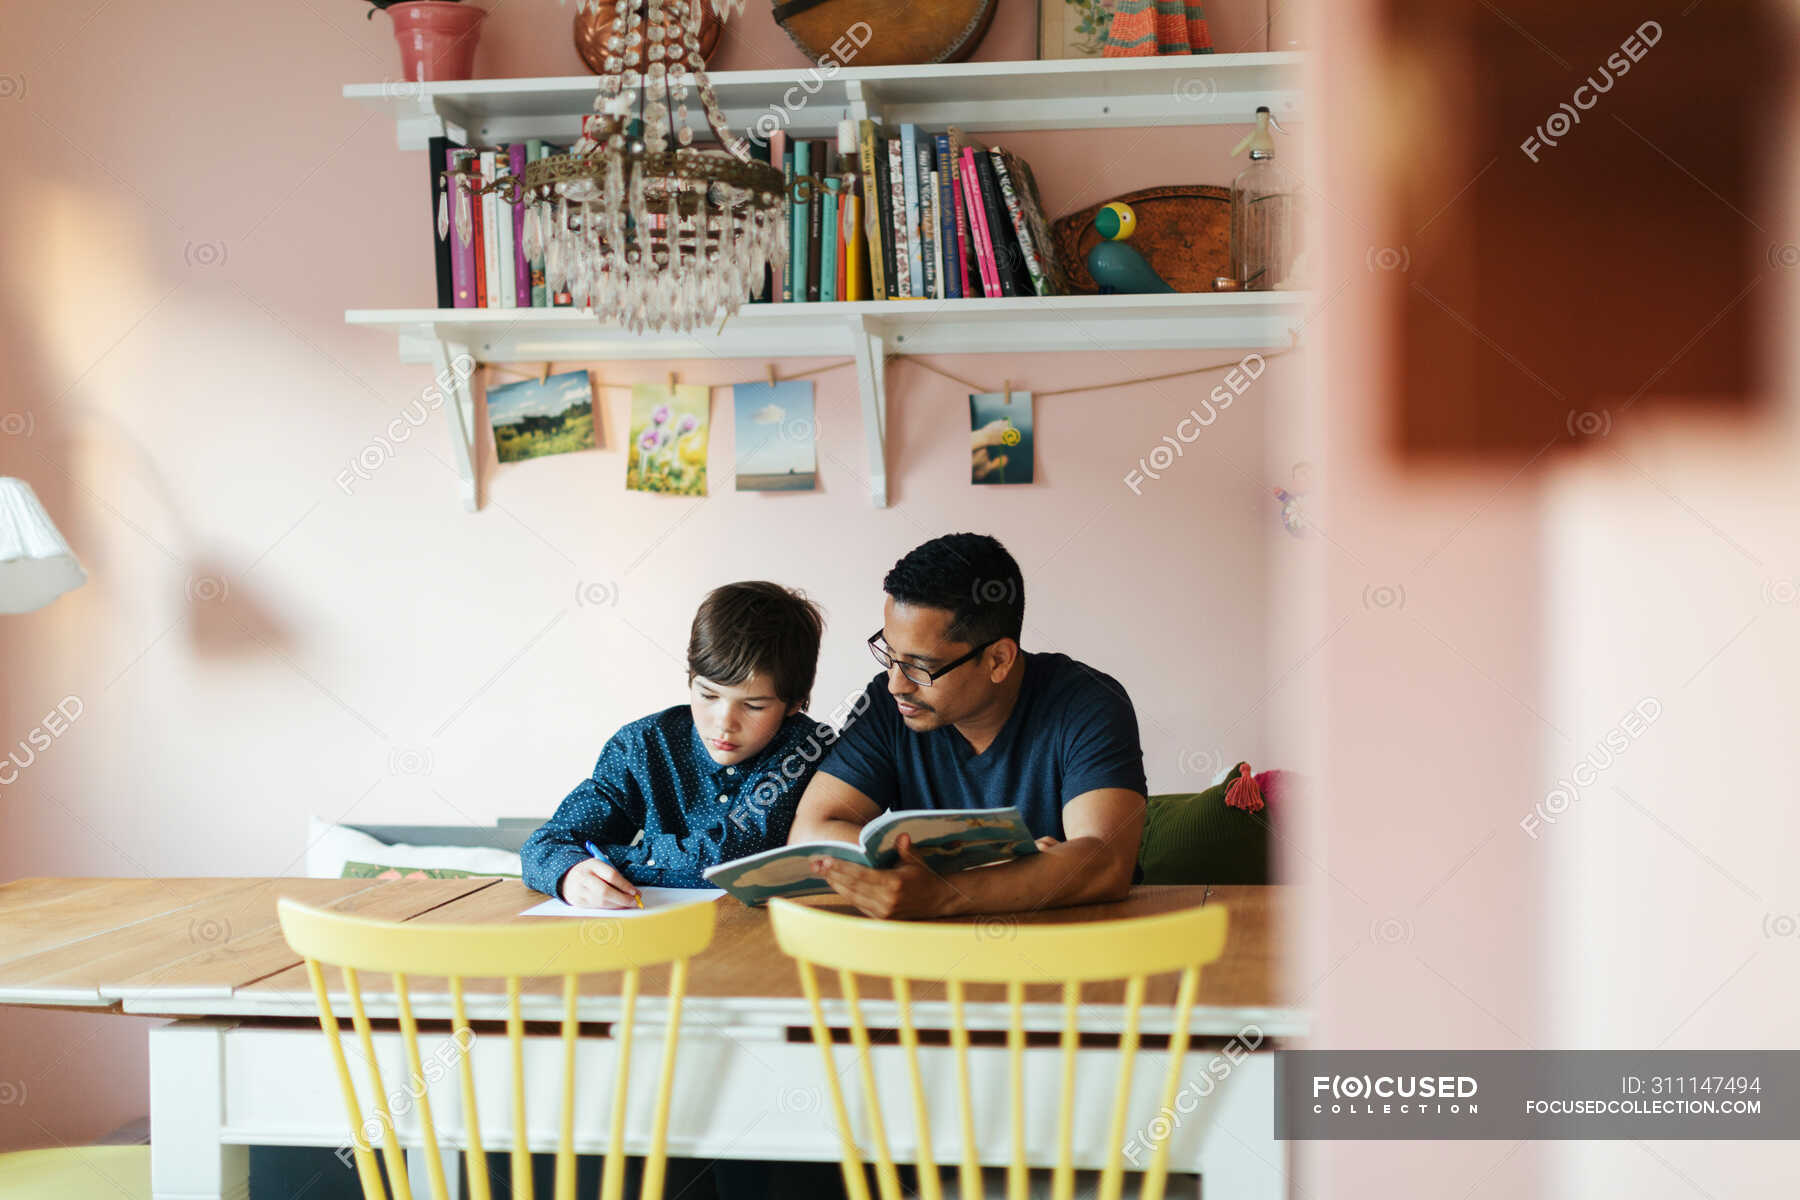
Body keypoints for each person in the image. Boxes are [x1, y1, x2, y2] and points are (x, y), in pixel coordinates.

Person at [788, 532, 1148, 919]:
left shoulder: (1087, 704)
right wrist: (983, 865)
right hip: (932, 950)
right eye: (889, 655)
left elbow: (1105, 863)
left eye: (921, 666)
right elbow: (810, 834)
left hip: (1076, 947)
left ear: (998, 660)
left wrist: (940, 893)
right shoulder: (886, 705)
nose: (897, 684)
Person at [522, 581, 831, 906]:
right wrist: (571, 874)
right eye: (708, 695)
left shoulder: (805, 749)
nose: (724, 723)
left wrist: (612, 857)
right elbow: (546, 844)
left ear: (795, 703)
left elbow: (730, 859)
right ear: (690, 678)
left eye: (753, 706)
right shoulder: (641, 745)